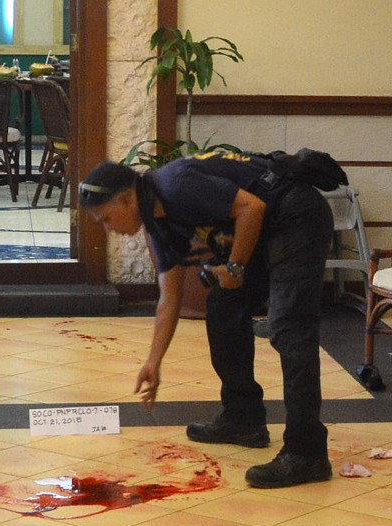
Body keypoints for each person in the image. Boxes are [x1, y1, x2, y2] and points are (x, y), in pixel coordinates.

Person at [79, 150, 335, 488]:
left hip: (296, 214)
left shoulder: (177, 184)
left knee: (290, 328)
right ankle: (243, 418)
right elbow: (170, 296)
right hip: (266, 225)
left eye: (105, 219)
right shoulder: (158, 224)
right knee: (224, 307)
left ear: (126, 201)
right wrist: (153, 362)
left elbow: (252, 207)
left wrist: (235, 267)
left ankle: (307, 452)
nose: (109, 229)